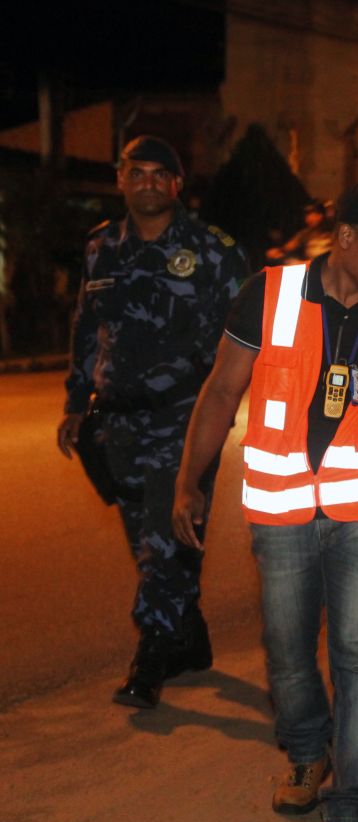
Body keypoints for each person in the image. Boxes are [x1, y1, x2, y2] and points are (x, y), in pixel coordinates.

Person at [171, 182, 358, 822]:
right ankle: (307, 749)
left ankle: (347, 818)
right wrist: (188, 481)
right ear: (346, 238)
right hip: (283, 510)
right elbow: (222, 391)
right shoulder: (271, 293)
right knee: (288, 654)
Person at [56, 135, 249, 709]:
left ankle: (153, 654)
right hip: (118, 423)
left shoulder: (214, 250)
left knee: (168, 538)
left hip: (185, 419)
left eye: (158, 174)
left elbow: (239, 333)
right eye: (135, 172)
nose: (146, 182)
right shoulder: (101, 249)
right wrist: (75, 401)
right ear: (120, 179)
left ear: (176, 184)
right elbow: (88, 328)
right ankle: (189, 638)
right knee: (148, 542)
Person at [266, 198, 336, 264]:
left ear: (323, 214)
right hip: (312, 268)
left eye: (313, 213)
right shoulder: (305, 233)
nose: (308, 218)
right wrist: (278, 251)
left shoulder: (335, 231)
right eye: (307, 214)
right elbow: (288, 247)